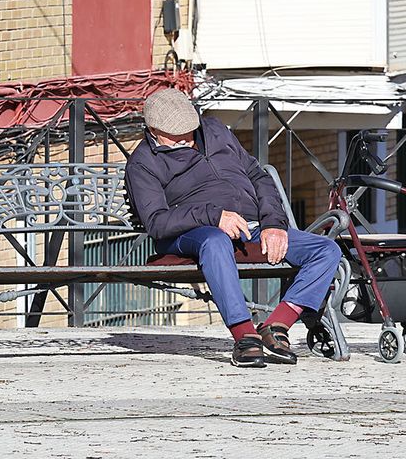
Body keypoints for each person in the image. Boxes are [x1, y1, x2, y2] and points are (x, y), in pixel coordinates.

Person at [126, 89, 342, 368]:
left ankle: (277, 325)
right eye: (175, 134)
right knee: (215, 241)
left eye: (188, 131)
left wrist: (273, 223)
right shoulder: (142, 163)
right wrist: (213, 216)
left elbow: (257, 176)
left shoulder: (215, 130)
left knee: (326, 249)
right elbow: (156, 222)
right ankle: (244, 337)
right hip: (189, 234)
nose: (185, 139)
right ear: (153, 130)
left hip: (248, 226)